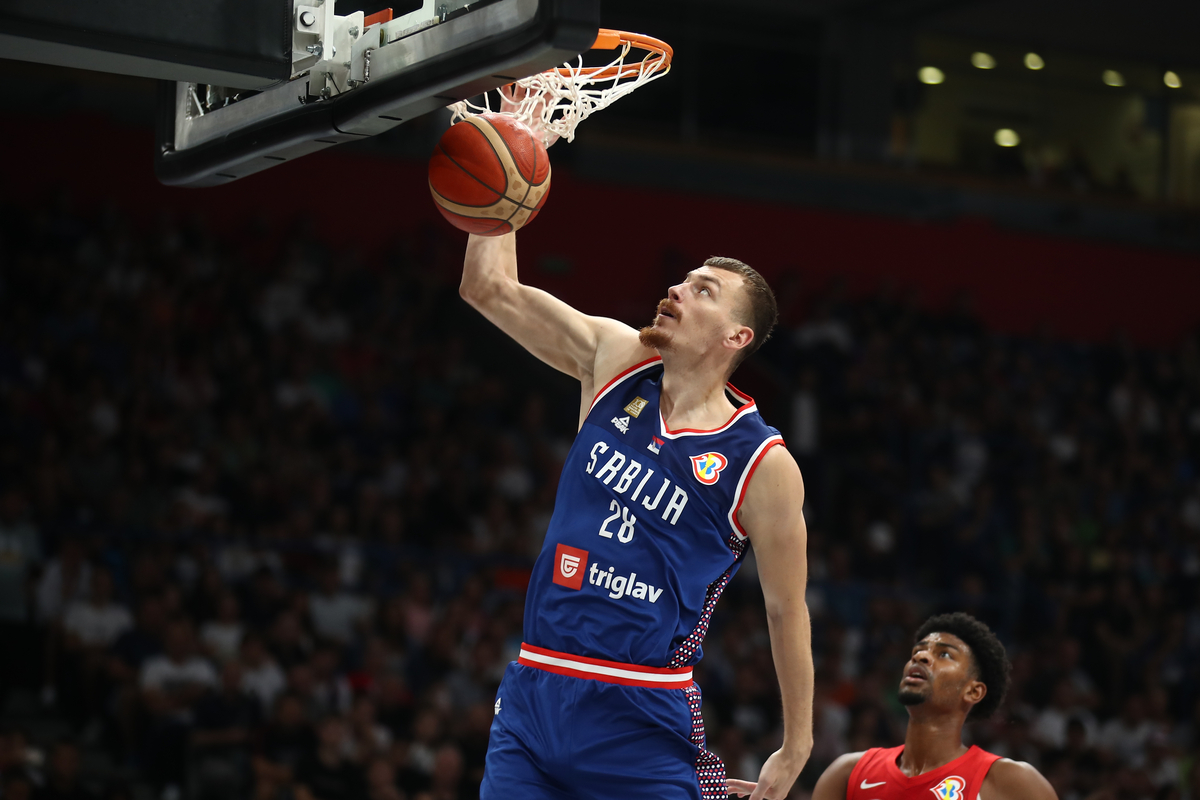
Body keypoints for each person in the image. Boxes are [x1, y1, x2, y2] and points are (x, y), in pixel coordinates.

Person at [460, 233, 813, 800]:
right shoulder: (616, 361)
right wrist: (500, 193)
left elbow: (785, 608)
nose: (676, 289)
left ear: (735, 336)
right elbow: (487, 288)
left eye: (703, 291)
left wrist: (796, 745)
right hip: (533, 692)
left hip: (640, 712)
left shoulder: (761, 463)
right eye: (683, 280)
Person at [780, 613, 1056, 800]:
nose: (921, 656)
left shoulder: (1010, 782)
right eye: (918, 651)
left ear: (973, 691)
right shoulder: (847, 773)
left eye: (944, 654)